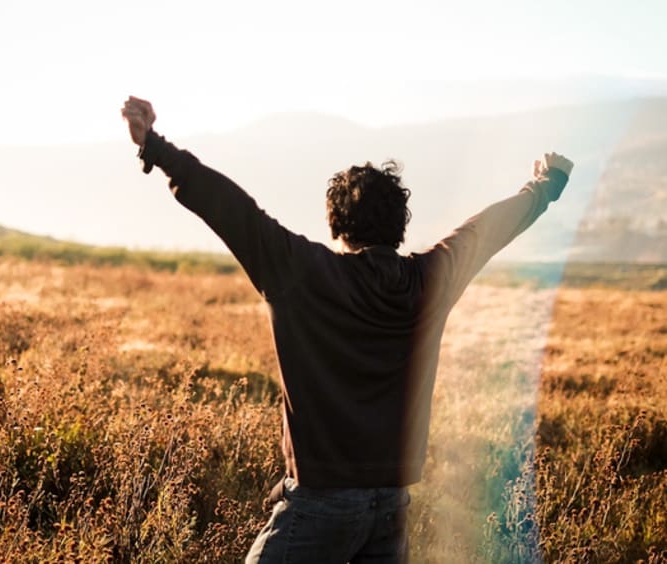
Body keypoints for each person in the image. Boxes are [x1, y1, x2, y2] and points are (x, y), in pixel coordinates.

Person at [121, 96, 574, 563]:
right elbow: (486, 230)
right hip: (392, 506)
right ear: (399, 226)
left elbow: (229, 207)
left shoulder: (301, 271)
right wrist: (544, 187)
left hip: (321, 505)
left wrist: (155, 146)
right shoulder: (429, 280)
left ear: (336, 223)